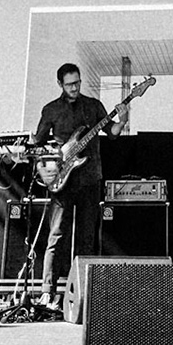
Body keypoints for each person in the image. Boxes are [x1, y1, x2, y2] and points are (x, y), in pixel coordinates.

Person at [30, 62, 110, 304]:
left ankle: (84, 291)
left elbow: (114, 132)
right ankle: (48, 290)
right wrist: (49, 166)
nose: (75, 87)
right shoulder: (51, 109)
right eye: (70, 84)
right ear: (60, 84)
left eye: (77, 83)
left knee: (87, 237)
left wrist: (122, 117)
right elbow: (38, 145)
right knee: (57, 234)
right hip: (63, 180)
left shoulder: (93, 106)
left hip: (89, 178)